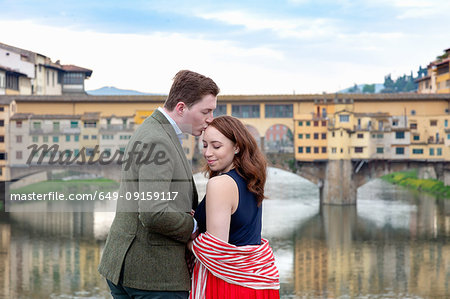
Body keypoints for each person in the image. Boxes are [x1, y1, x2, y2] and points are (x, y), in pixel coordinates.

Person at [98, 70, 219, 298]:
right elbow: (153, 212)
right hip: (152, 276)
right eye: (206, 111)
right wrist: (193, 225)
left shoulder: (155, 130)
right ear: (181, 108)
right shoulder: (157, 139)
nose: (210, 118)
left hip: (135, 268)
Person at [190, 116, 280, 298]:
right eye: (205, 145)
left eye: (216, 146)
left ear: (237, 147)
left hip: (227, 284)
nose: (207, 153)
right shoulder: (252, 180)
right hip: (258, 283)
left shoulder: (220, 184)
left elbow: (214, 249)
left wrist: (185, 239)